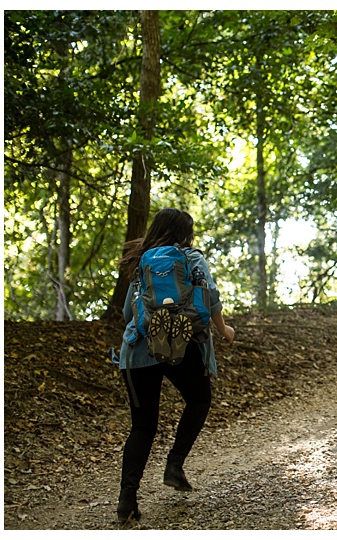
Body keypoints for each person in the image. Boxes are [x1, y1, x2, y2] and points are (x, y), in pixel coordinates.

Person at [114, 208, 235, 524]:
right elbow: (209, 295)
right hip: (182, 346)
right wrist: (224, 330)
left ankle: (127, 500)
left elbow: (129, 312)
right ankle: (174, 464)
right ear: (186, 233)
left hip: (139, 349)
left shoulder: (144, 261)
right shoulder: (191, 257)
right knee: (199, 399)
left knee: (142, 426)